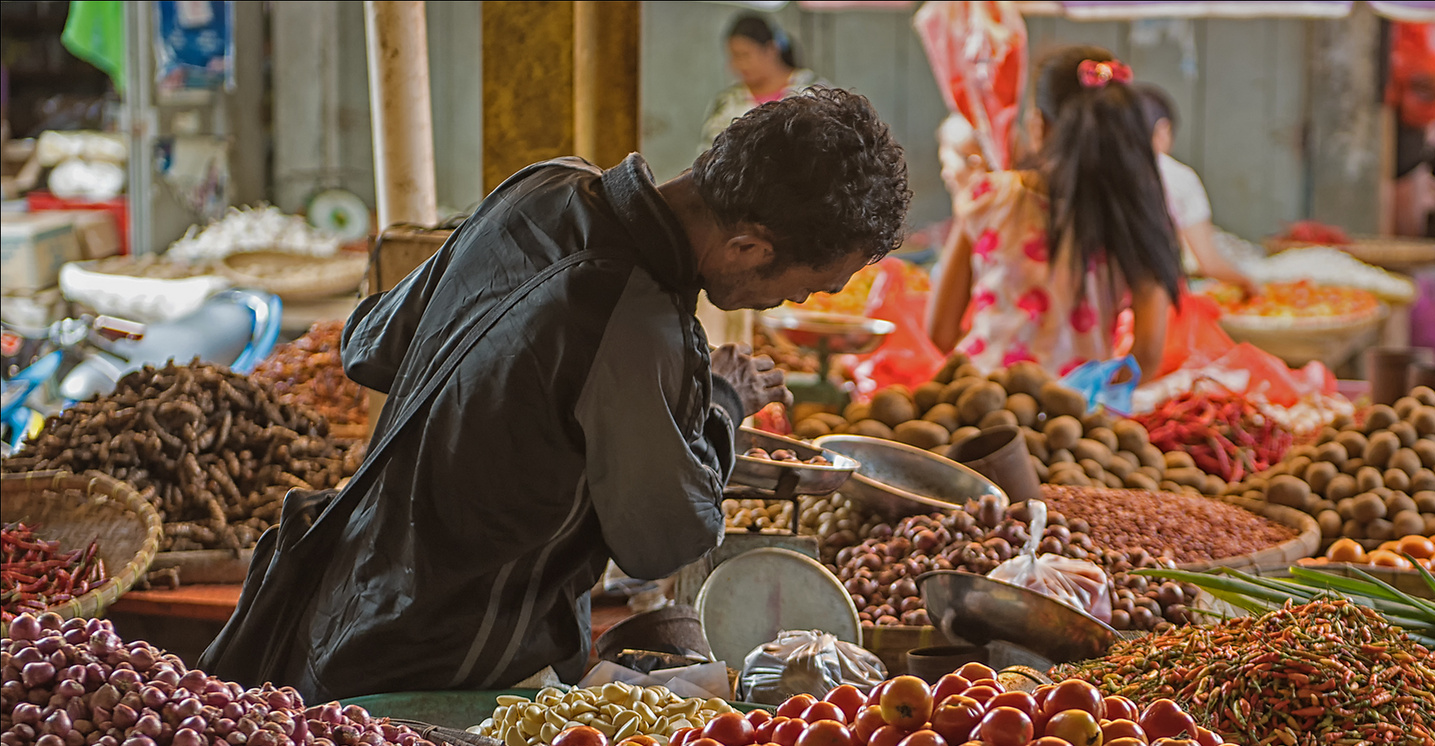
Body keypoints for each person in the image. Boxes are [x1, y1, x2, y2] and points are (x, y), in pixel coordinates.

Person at [201, 88, 910, 700]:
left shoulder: (543, 188)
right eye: (807, 285)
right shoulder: (635, 323)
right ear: (749, 248)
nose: (794, 301)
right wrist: (720, 402)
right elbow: (663, 539)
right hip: (452, 667)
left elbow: (371, 343)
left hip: (348, 603)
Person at [927, 47, 1182, 380]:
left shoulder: (988, 197)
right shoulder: (1134, 213)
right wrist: (1089, 394)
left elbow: (941, 331)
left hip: (982, 405)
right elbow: (1147, 355)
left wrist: (991, 371)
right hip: (1076, 418)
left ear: (1038, 126)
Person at [1137, 84, 1255, 291]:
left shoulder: (1091, 169)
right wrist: (1248, 284)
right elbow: (1208, 263)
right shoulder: (1178, 177)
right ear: (1163, 129)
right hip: (1153, 298)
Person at [699, 15, 818, 155]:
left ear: (771, 49)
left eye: (744, 55)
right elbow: (708, 156)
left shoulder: (813, 92)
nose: (738, 64)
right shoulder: (726, 103)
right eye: (733, 57)